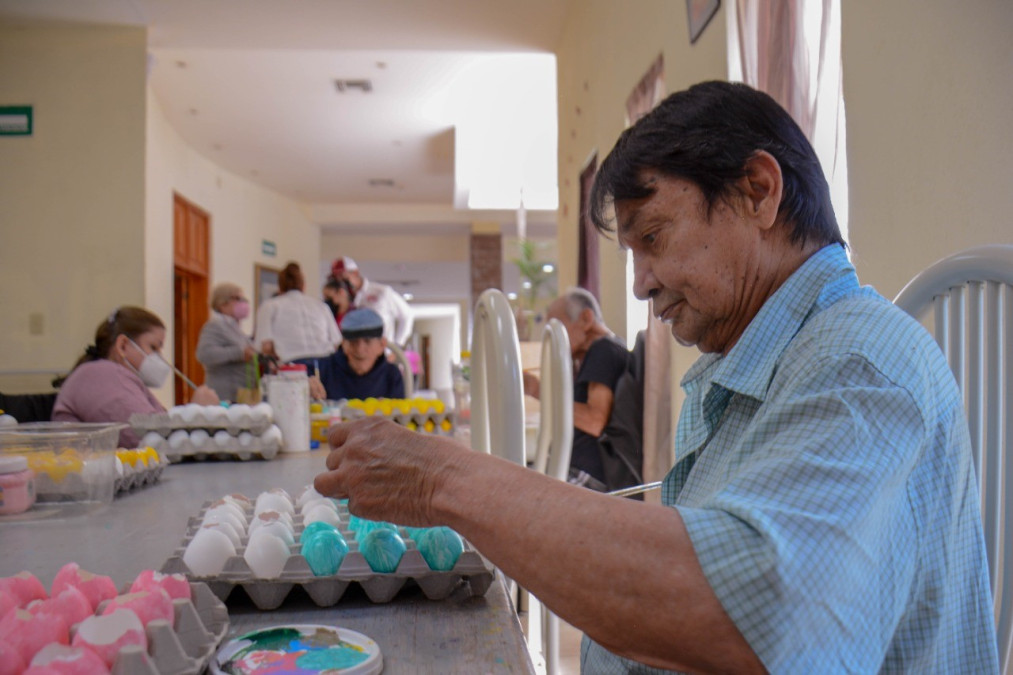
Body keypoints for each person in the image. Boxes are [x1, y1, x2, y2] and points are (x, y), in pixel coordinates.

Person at [313, 81, 998, 673]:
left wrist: (444, 481)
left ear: (757, 191)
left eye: (653, 237)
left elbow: (752, 614)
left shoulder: (858, 360)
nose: (639, 282)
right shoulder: (759, 362)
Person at [52, 306, 219, 447]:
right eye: (153, 347)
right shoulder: (101, 375)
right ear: (123, 346)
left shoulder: (115, 376)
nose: (159, 358)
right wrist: (199, 412)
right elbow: (148, 437)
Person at [523, 288, 631, 491]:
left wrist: (539, 391)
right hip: (578, 466)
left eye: (557, 324)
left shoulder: (603, 350)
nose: (554, 335)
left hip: (589, 472)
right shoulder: (602, 351)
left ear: (586, 318)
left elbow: (594, 421)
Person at [254, 261, 341, 366]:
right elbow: (336, 342)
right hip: (326, 364)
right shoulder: (321, 306)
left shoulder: (270, 306)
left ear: (280, 286)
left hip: (293, 367)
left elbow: (266, 346)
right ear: (303, 285)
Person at [309, 308, 405, 401]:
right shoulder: (322, 370)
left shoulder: (391, 376)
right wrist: (305, 383)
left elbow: (399, 416)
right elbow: (296, 370)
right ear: (343, 344)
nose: (359, 349)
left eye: (367, 341)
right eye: (353, 342)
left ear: (381, 345)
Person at [331, 256, 413, 348]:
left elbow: (407, 315)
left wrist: (397, 345)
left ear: (355, 272)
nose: (340, 282)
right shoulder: (341, 299)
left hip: (383, 353)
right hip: (354, 354)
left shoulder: (382, 291)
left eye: (343, 277)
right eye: (336, 278)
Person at [195, 283, 258, 401]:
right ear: (222, 303)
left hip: (242, 396)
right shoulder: (214, 326)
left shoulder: (236, 329)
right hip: (225, 396)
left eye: (243, 299)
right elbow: (204, 354)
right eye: (237, 299)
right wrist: (239, 353)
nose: (243, 303)